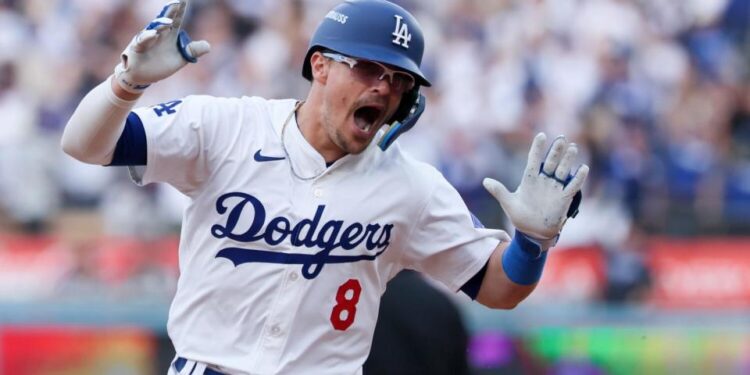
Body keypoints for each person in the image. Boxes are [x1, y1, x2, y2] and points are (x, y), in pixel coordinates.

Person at [61, 0, 589, 374]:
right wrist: (125, 85)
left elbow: (498, 289)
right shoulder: (226, 127)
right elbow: (84, 145)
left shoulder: (411, 185)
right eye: (367, 68)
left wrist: (531, 243)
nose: (384, 87)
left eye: (399, 80)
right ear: (320, 65)